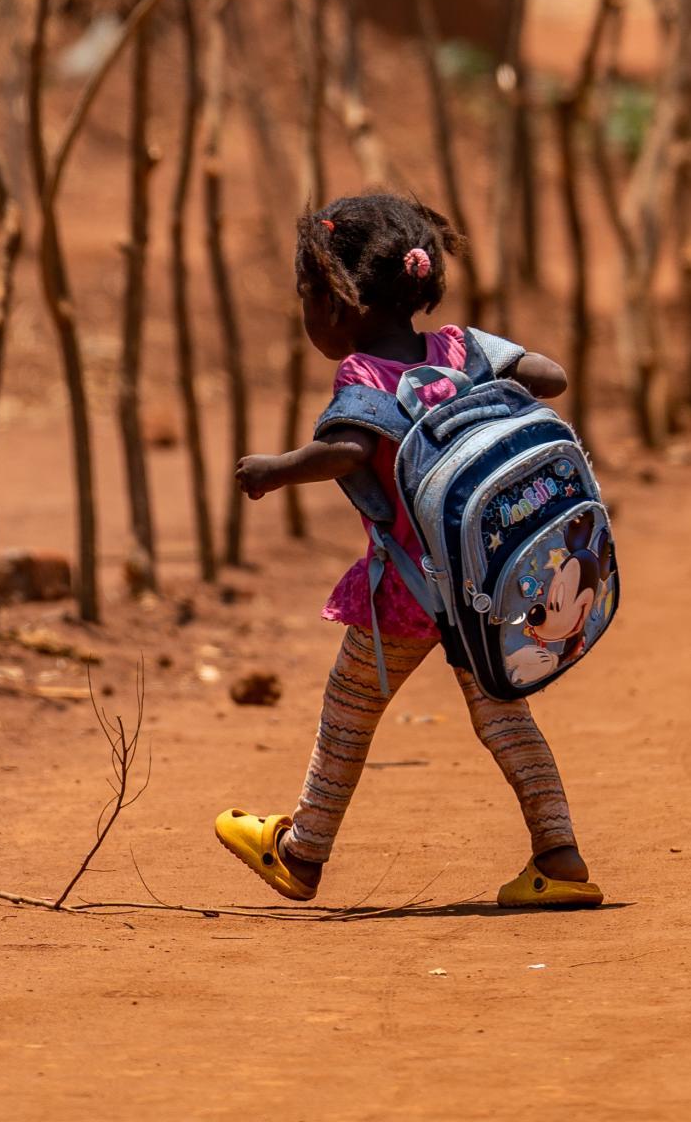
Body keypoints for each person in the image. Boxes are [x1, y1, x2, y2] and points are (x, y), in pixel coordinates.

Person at [212, 191, 600, 909]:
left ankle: (301, 853)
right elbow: (551, 378)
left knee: (348, 712)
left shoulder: (364, 375)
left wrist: (275, 470)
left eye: (306, 298)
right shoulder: (462, 347)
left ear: (335, 302)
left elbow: (348, 449)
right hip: (486, 588)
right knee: (505, 715)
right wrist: (486, 383)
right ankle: (559, 856)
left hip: (407, 593)